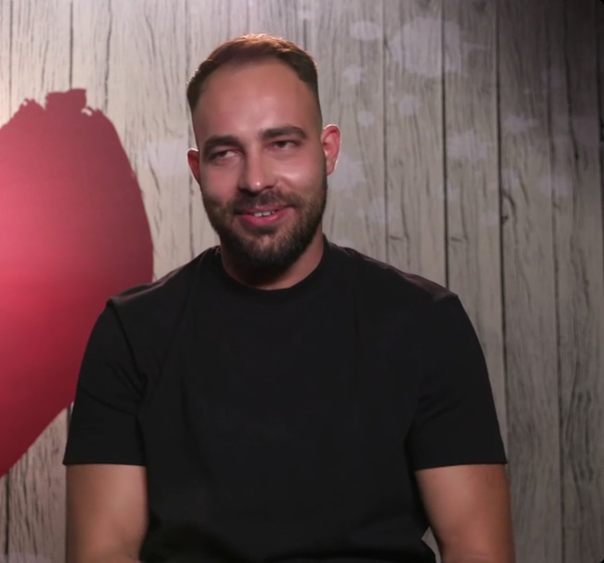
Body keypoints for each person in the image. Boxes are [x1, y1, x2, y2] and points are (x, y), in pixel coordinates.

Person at [61, 34, 514, 563]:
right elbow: (104, 550)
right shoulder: (131, 332)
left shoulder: (425, 323)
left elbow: (477, 549)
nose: (256, 180)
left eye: (282, 144)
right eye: (226, 153)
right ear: (197, 169)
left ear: (328, 151)